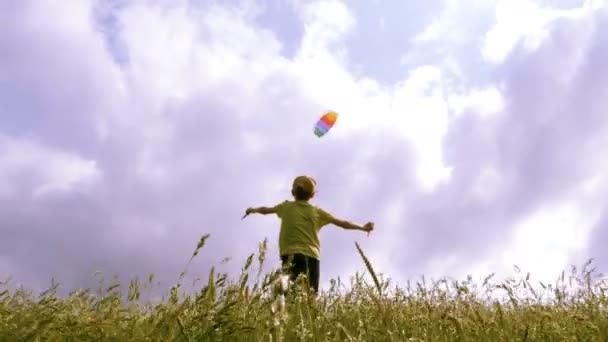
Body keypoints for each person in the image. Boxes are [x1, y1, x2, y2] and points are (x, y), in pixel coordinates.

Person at [243, 175, 374, 294]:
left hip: (290, 255)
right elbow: (343, 223)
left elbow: (265, 210)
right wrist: (362, 227)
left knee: (292, 294)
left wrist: (252, 210)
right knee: (310, 296)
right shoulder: (316, 212)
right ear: (312, 195)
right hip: (313, 257)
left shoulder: (285, 207)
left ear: (293, 192)